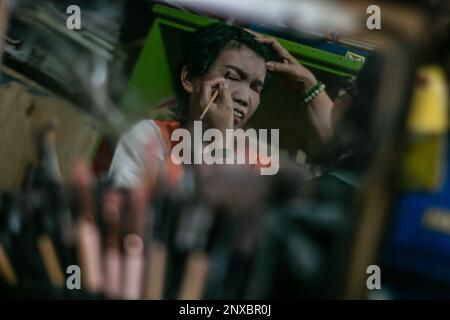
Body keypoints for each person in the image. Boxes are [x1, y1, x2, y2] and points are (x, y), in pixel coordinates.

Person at [108, 23, 334, 189]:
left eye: (256, 87)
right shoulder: (151, 138)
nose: (244, 97)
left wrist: (309, 84)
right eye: (232, 76)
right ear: (189, 79)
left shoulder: (260, 167)